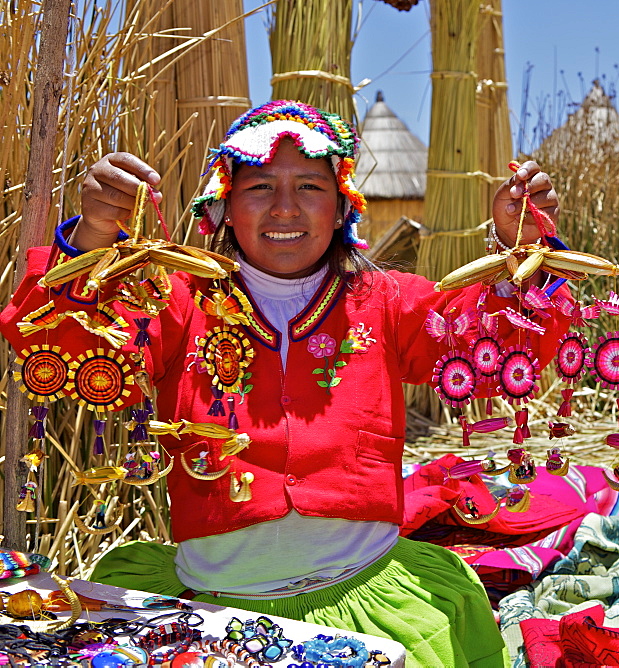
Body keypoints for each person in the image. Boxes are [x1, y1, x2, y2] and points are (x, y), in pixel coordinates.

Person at [0, 100, 570, 666]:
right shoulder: (175, 302)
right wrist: (94, 239)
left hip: (367, 604)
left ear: (343, 207)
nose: (285, 209)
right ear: (222, 207)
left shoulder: (388, 303)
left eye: (310, 187)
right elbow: (62, 352)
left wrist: (523, 246)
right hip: (212, 616)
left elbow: (496, 347)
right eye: (260, 188)